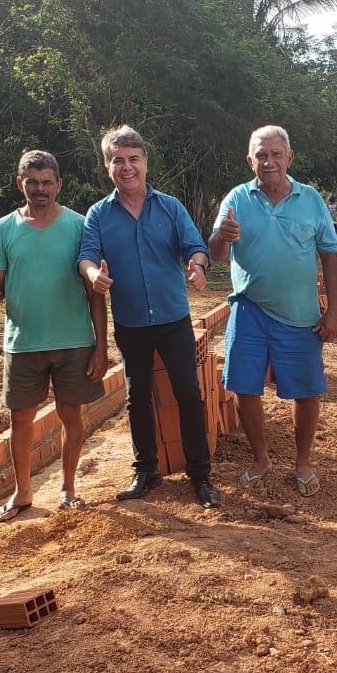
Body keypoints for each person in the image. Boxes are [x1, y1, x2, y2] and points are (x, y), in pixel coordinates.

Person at [78, 126, 221, 509]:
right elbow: (87, 255)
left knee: (188, 393)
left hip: (173, 318)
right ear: (108, 167)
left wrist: (197, 265)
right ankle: (146, 470)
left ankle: (200, 474)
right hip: (130, 322)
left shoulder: (170, 207)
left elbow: (195, 246)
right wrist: (94, 274)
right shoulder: (99, 215)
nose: (127, 167)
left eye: (133, 159)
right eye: (117, 161)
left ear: (145, 162)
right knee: (136, 396)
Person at [209, 125, 337, 497]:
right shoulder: (237, 198)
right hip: (249, 309)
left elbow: (329, 254)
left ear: (289, 158)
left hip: (300, 315)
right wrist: (224, 236)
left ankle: (303, 461)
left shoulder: (310, 199)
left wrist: (333, 310)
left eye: (276, 154)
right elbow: (216, 252)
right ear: (250, 160)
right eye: (261, 156)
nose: (269, 162)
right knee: (243, 386)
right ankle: (261, 458)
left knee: (306, 392)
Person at [0, 149, 108, 521]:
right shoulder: (3, 229)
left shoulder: (80, 226)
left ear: (59, 184)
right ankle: (23, 491)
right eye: (32, 182)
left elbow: (94, 293)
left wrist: (101, 346)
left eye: (47, 182)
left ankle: (68, 487)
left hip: (73, 342)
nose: (40, 189)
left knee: (71, 416)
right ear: (20, 185)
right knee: (21, 420)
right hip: (24, 343)